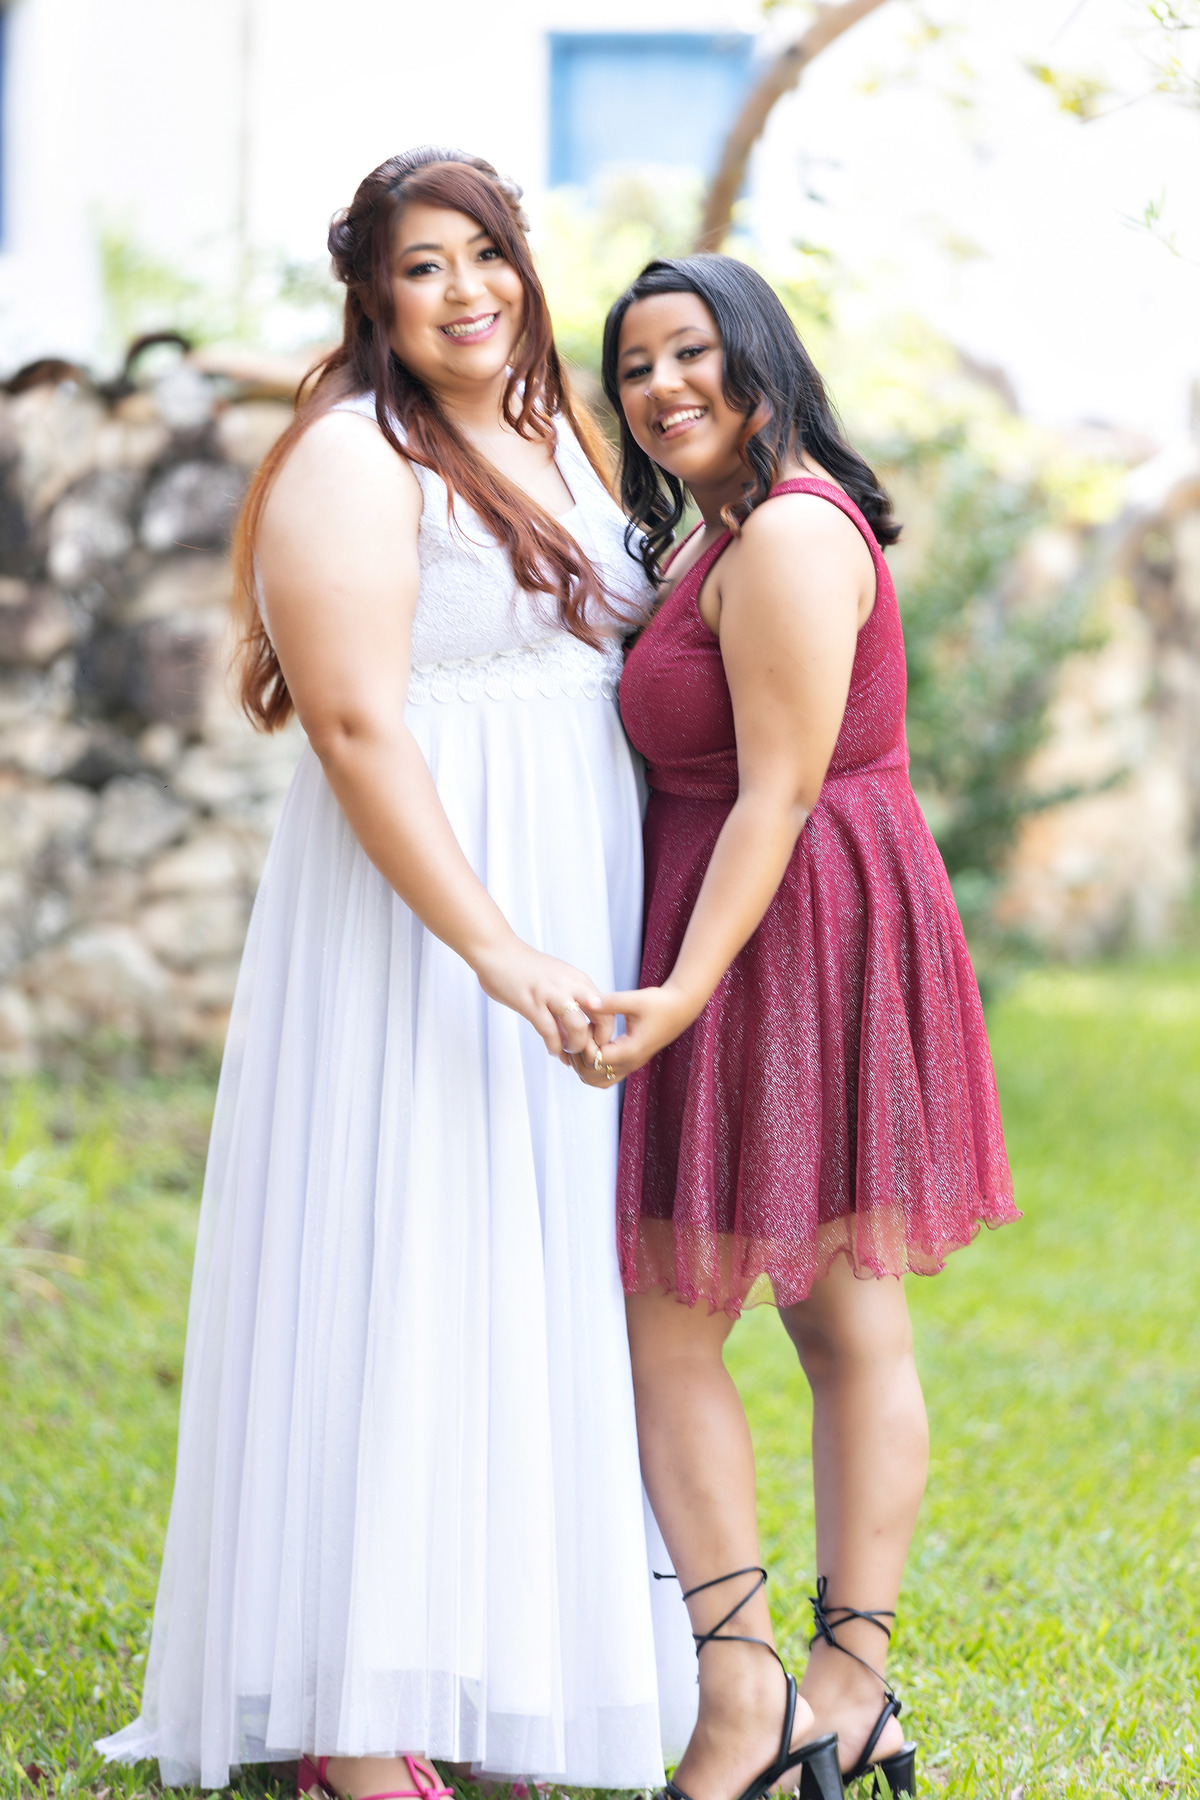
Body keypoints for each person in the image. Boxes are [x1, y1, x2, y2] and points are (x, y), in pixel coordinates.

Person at [97, 148, 695, 1797]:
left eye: (485, 255)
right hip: (426, 919)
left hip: (574, 900)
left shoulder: (559, 435)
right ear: (371, 295)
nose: (465, 292)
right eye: (422, 266)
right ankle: (354, 1722)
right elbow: (357, 725)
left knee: (527, 1281)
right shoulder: (351, 458)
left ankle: (495, 1683)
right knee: (408, 1266)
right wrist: (493, 947)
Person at [574, 255, 1019, 1800]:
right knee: (830, 1319)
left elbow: (776, 789)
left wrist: (681, 992)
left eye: (692, 351)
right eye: (636, 366)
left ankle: (771, 1695)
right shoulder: (725, 531)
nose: (663, 386)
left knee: (689, 1320)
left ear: (760, 357)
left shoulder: (788, 536)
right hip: (775, 918)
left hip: (790, 932)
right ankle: (829, 1695)